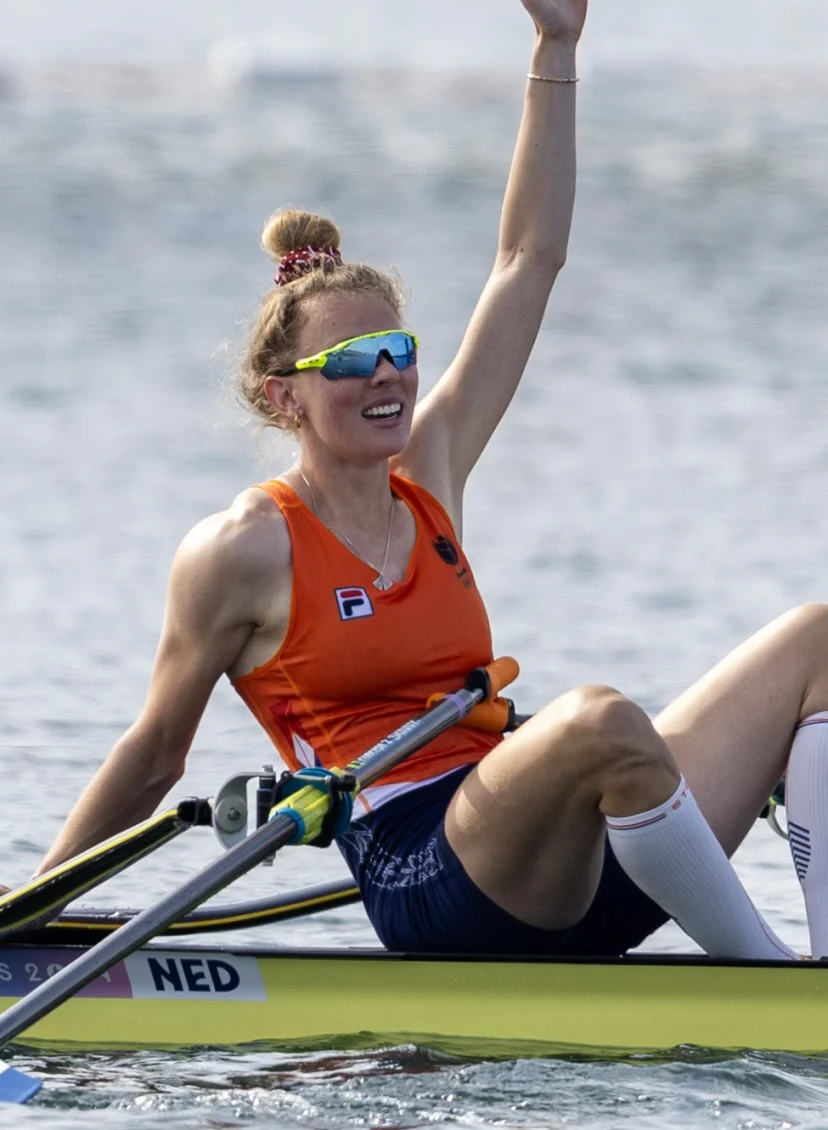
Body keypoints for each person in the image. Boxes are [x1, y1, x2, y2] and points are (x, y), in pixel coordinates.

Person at [25, 0, 828, 962]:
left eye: (397, 349)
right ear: (285, 400)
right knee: (604, 720)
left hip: (546, 851)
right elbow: (156, 752)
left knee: (818, 638)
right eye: (356, 359)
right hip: (427, 873)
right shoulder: (243, 549)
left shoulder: (429, 476)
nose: (391, 375)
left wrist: (556, 47)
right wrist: (38, 905)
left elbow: (528, 261)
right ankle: (777, 987)